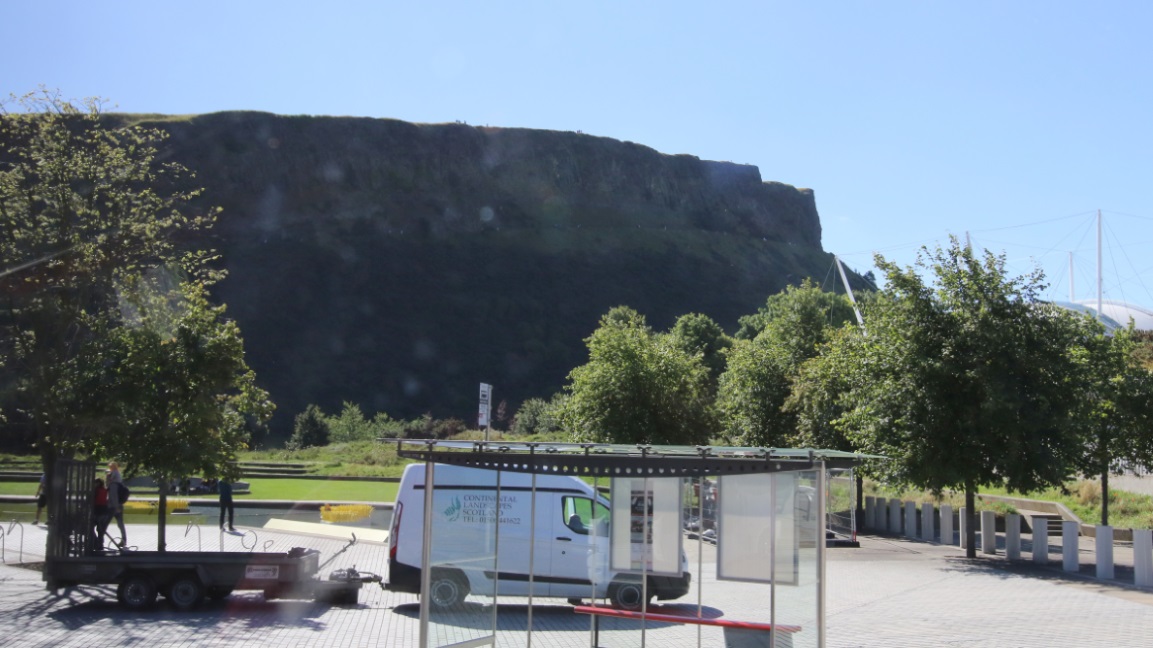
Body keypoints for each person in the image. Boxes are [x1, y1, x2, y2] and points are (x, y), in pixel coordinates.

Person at [105, 461, 127, 547]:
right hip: (119, 506)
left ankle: (99, 541)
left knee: (103, 525)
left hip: (113, 507)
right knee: (120, 524)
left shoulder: (113, 485)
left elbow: (113, 497)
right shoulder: (119, 482)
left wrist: (115, 506)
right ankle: (124, 540)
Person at [92, 478, 110, 551]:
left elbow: (92, 500)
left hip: (97, 512)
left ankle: (96, 543)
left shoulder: (96, 490)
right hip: (105, 511)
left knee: (90, 529)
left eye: (95, 483)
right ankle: (100, 544)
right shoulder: (105, 490)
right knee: (100, 530)